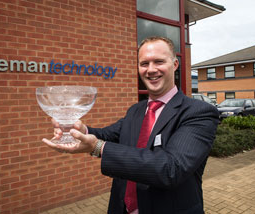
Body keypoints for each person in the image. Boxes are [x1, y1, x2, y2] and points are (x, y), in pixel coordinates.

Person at [42, 36, 219, 214]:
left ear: (174, 65)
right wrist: (79, 130)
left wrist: (98, 147)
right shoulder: (136, 110)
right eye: (144, 63)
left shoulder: (198, 112)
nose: (151, 70)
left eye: (158, 62)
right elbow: (109, 134)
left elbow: (171, 168)